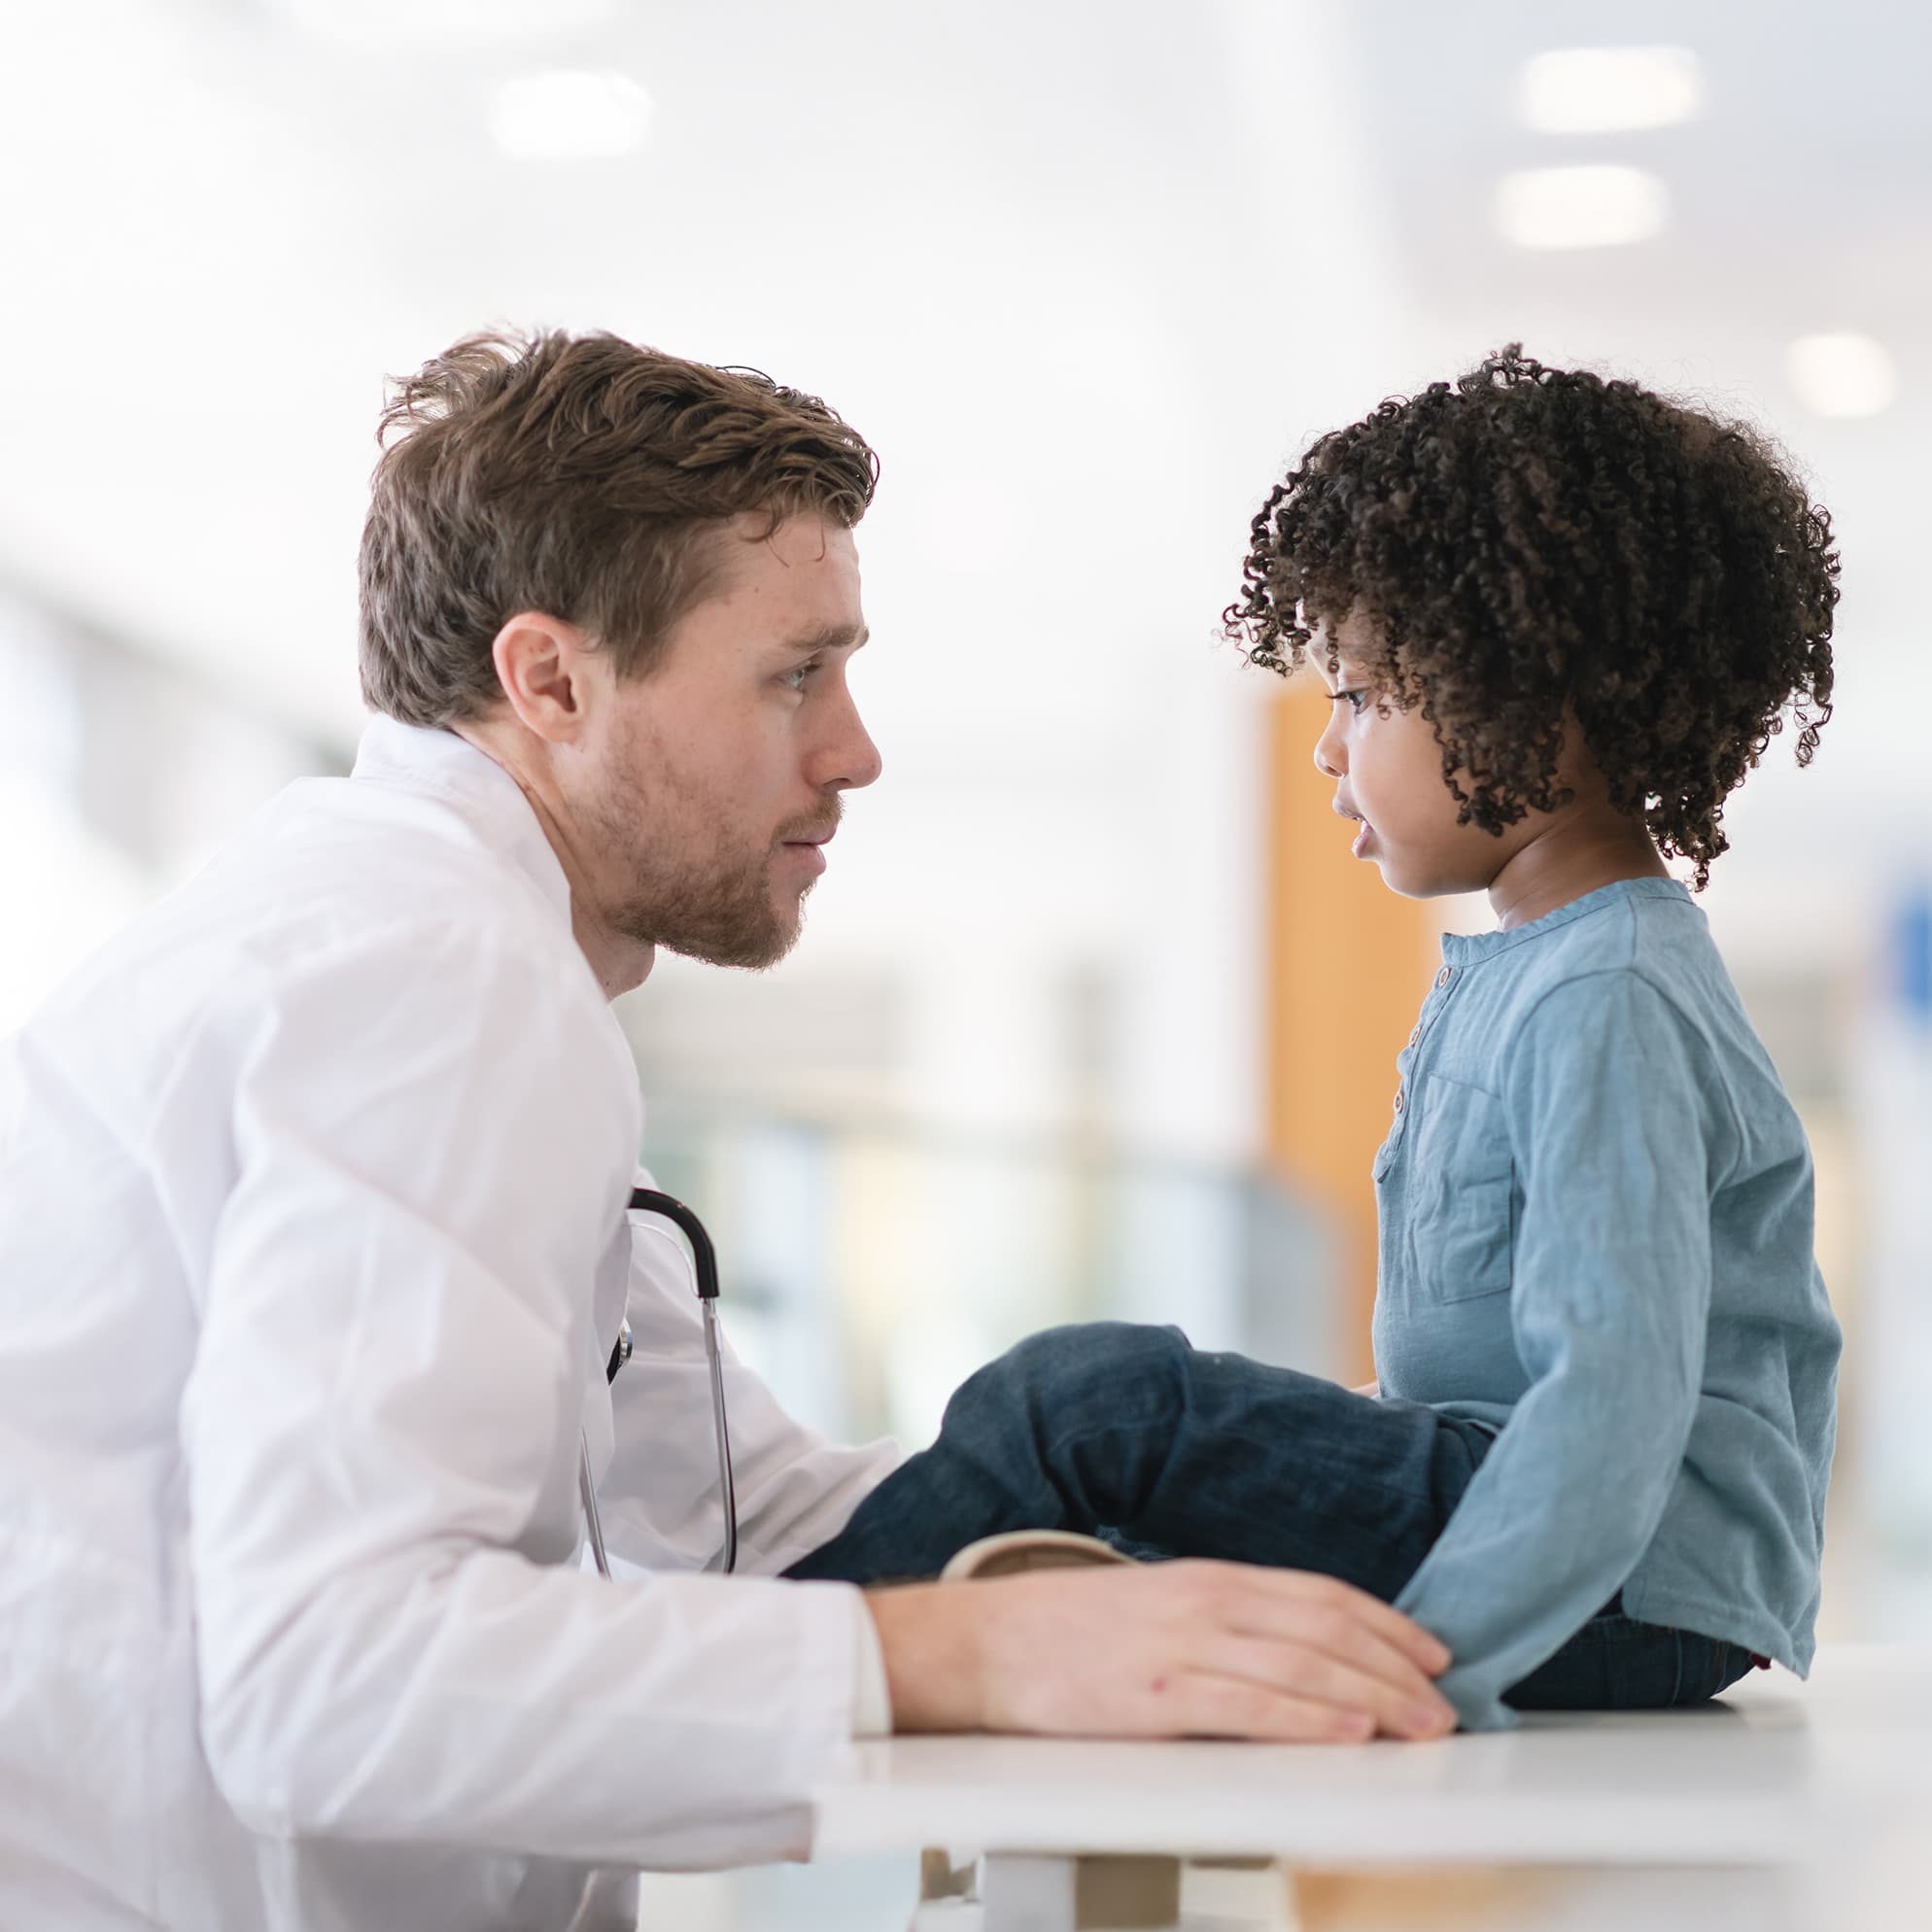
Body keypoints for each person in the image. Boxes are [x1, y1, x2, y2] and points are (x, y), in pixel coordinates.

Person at [0, 329, 1457, 1932]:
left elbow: (735, 1511)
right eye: (794, 675)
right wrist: (967, 1656)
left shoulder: (405, 941)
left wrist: (1143, 1578)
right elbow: (327, 1682)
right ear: (549, 680)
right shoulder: (431, 976)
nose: (855, 749)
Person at [790, 346, 1844, 1734]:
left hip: (1621, 1584)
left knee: (1088, 1406)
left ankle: (745, 1660)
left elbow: (1614, 1408)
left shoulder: (1610, 994)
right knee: (1135, 1512)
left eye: (1362, 696)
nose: (1326, 749)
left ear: (1533, 696)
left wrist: (1420, 1669)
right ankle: (916, 1632)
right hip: (1572, 1554)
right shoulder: (1545, 970)